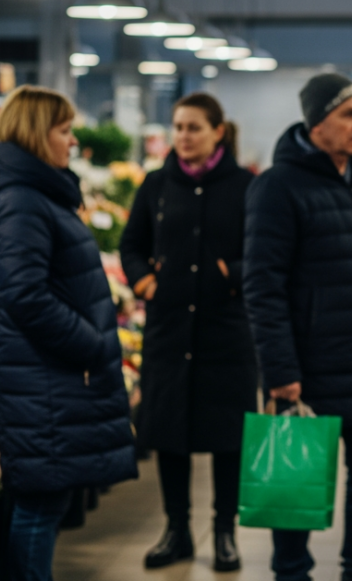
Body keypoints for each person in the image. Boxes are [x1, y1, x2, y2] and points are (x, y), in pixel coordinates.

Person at [0, 86, 137, 581]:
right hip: (43, 376)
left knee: (45, 503)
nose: (73, 140)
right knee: (40, 507)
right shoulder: (21, 201)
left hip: (46, 374)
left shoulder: (35, 194)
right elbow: (26, 296)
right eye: (64, 130)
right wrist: (90, 342)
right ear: (37, 134)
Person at [243, 73, 352, 581]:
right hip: (309, 368)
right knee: (295, 482)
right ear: (317, 124)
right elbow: (262, 287)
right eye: (348, 115)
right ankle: (291, 572)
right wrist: (280, 372)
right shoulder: (277, 186)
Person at [119, 92, 255, 572]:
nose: (183, 136)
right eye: (178, 127)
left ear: (218, 131)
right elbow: (130, 244)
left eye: (193, 127)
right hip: (170, 331)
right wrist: (144, 280)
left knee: (226, 437)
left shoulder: (243, 185)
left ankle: (224, 533)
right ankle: (176, 529)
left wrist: (230, 272)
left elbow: (261, 253)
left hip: (226, 331)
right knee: (169, 433)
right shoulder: (156, 185)